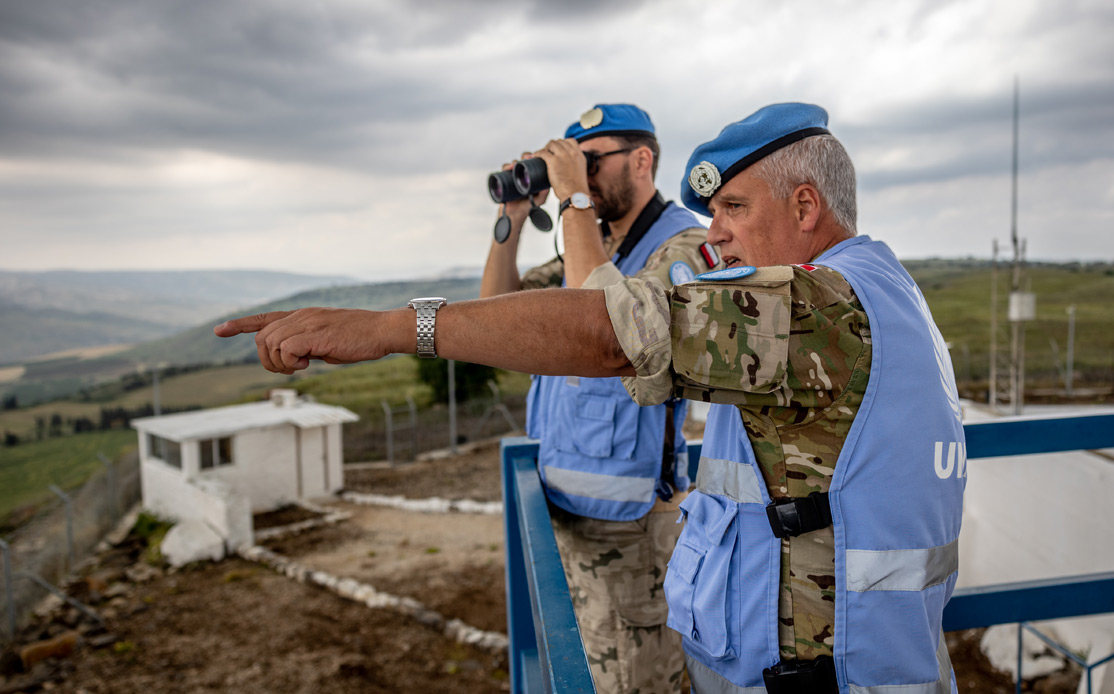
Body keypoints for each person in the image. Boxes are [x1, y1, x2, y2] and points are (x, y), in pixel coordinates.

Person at [216, 103, 966, 694]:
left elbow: (608, 334)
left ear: (805, 207)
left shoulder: (819, 307)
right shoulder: (868, 288)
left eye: (734, 208)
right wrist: (515, 214)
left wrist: (386, 328)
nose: (718, 234)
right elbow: (510, 312)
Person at [480, 103, 716, 694]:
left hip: (634, 530)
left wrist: (571, 202)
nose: (579, 177)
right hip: (566, 510)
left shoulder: (683, 245)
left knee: (637, 683)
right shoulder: (589, 246)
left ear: (643, 160)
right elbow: (495, 315)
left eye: (589, 162)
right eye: (572, 164)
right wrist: (511, 219)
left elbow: (606, 318)